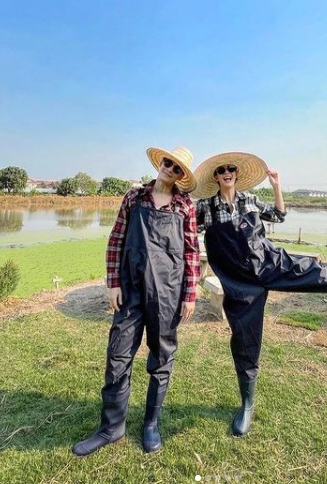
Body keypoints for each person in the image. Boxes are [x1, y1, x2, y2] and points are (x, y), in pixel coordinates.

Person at [193, 152, 327, 438]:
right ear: (216, 177)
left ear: (236, 173)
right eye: (221, 170)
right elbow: (184, 226)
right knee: (245, 340)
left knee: (319, 273)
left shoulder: (250, 200)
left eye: (231, 168)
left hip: (270, 264)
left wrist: (276, 187)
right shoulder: (206, 207)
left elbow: (279, 215)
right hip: (240, 283)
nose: (227, 172)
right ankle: (247, 404)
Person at [72, 146, 200, 456]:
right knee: (118, 355)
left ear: (181, 176)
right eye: (168, 163)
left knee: (162, 358)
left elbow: (191, 252)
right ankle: (111, 427)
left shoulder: (185, 205)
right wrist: (113, 283)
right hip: (130, 290)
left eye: (177, 168)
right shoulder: (134, 197)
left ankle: (151, 424)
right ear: (160, 163)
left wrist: (190, 295)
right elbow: (116, 240)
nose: (170, 169)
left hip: (167, 293)